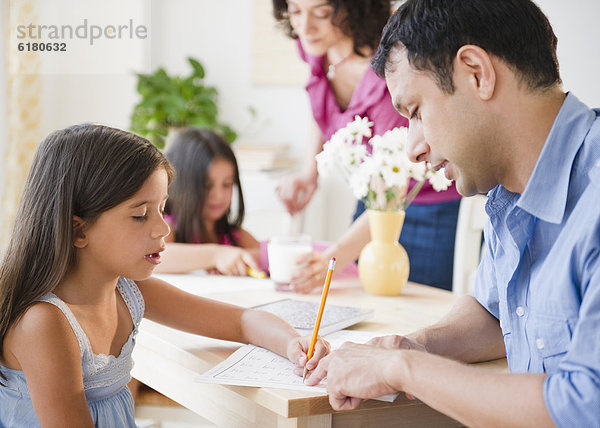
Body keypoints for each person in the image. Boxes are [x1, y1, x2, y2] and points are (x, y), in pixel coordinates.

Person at [305, 0, 600, 426]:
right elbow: (499, 314)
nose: (412, 147)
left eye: (417, 112)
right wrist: (410, 347)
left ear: (476, 73)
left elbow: (584, 404)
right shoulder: (510, 189)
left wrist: (402, 370)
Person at [0, 124, 329, 427]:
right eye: (141, 215)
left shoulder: (128, 292)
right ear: (79, 229)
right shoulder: (45, 323)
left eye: (161, 208)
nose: (164, 227)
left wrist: (292, 343)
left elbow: (242, 322)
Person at [272, 0, 461, 292]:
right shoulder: (316, 46)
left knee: (416, 310)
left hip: (424, 206)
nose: (304, 26)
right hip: (374, 198)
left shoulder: (391, 68)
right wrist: (310, 171)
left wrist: (330, 262)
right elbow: (320, 98)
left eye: (321, 13)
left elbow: (393, 185)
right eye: (295, 10)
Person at [154, 127, 261, 276]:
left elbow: (265, 257)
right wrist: (216, 255)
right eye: (207, 186)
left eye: (227, 184)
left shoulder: (235, 236)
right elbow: (156, 257)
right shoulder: (168, 228)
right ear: (181, 185)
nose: (218, 195)